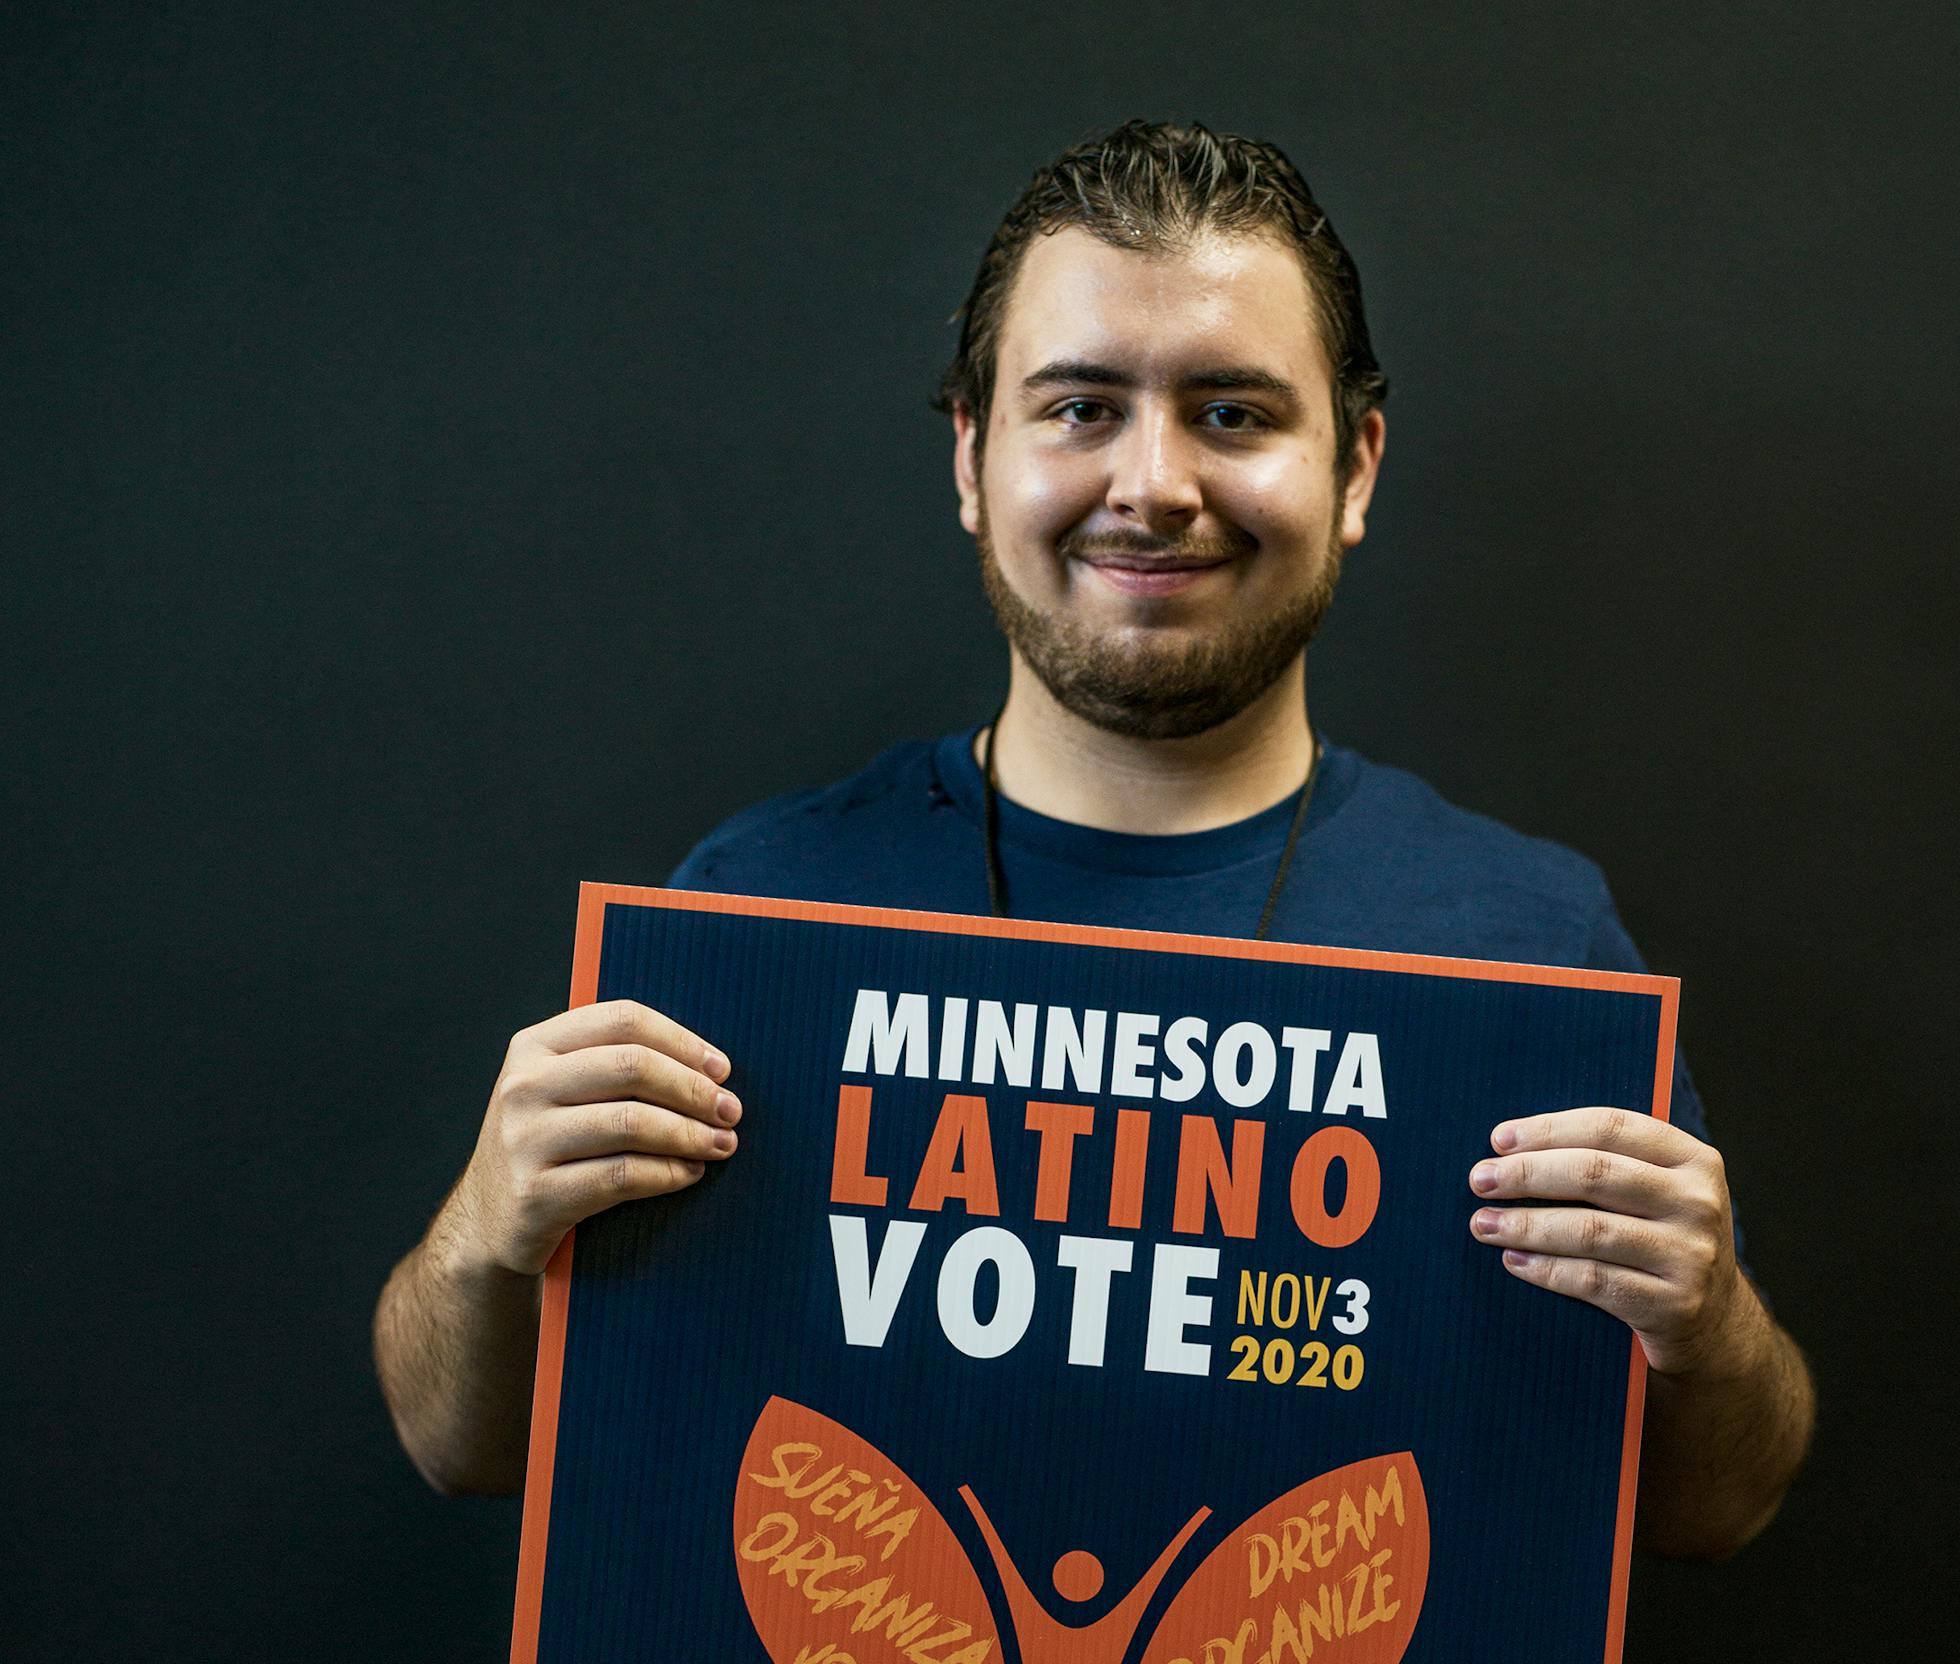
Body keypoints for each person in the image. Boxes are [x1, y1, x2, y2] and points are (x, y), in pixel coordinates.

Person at [372, 119, 1813, 1561]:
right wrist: (488, 1228)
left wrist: (1711, 1323)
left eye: (1234, 413)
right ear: (971, 457)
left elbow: (1713, 1513)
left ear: (1356, 467)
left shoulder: (1529, 946)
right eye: (1078, 407)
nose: (1153, 485)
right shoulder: (762, 913)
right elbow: (463, 1445)